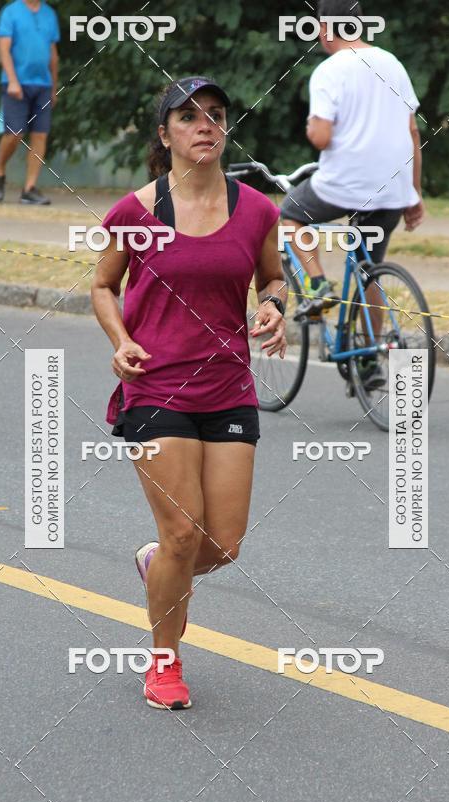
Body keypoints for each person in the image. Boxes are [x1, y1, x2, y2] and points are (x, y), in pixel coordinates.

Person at [91, 76, 287, 710]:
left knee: (222, 544)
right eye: (190, 117)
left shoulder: (257, 209)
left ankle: (158, 567)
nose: (206, 125)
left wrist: (276, 309)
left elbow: (274, 279)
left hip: (228, 386)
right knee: (181, 534)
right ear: (165, 133)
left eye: (217, 115)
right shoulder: (137, 212)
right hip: (156, 387)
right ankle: (165, 661)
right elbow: (102, 286)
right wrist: (119, 339)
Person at [281, 0, 424, 389]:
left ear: (325, 29)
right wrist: (414, 193)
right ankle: (369, 360)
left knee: (291, 213)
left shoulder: (329, 70)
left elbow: (321, 136)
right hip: (393, 188)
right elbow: (413, 133)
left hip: (343, 185)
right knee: (368, 271)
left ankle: (315, 285)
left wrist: (312, 128)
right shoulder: (393, 63)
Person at [0, 0, 60, 205]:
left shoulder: (49, 14)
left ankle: (29, 189)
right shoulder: (10, 12)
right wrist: (12, 80)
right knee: (14, 134)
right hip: (15, 83)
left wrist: (53, 88)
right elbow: (3, 49)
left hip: (43, 85)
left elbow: (53, 55)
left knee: (40, 135)